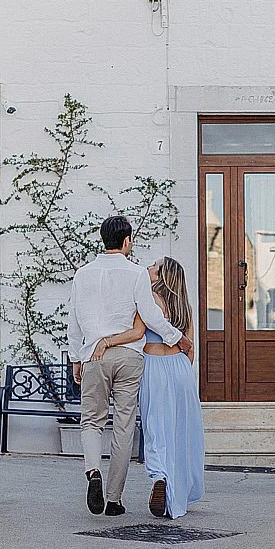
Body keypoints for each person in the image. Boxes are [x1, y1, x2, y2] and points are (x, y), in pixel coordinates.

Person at [68, 216, 192, 516]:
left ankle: (93, 471)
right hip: (129, 357)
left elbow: (73, 320)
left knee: (92, 421)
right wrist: (179, 339)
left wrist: (75, 358)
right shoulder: (136, 273)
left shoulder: (82, 274)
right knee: (123, 427)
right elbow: (150, 316)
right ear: (126, 241)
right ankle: (113, 499)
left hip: (94, 355)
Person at [91, 257, 205, 518]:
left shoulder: (150, 298)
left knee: (155, 428)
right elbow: (190, 347)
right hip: (180, 369)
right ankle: (174, 488)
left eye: (154, 266)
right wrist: (183, 372)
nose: (148, 268)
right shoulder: (184, 305)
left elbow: (136, 332)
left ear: (163, 275)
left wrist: (106, 342)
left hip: (154, 366)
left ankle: (159, 477)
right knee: (179, 431)